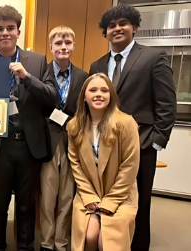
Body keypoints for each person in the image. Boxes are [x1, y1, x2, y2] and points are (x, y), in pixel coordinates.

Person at [89, 4, 177, 250]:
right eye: (111, 26)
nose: (117, 29)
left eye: (123, 23)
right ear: (105, 32)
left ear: (134, 27)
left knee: (140, 202)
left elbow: (167, 103)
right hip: (105, 147)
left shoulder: (153, 57)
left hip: (143, 144)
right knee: (108, 199)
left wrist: (157, 141)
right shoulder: (97, 65)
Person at [0, 5, 57, 251]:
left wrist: (27, 77)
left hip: (28, 144)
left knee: (26, 205)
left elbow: (50, 97)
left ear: (18, 32)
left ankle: (26, 248)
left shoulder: (36, 61)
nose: (5, 33)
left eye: (10, 28)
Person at [67, 73, 140, 251]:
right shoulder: (74, 126)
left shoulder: (126, 123)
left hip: (120, 195)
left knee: (107, 242)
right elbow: (75, 165)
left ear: (111, 96)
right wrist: (89, 196)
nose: (98, 94)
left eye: (104, 90)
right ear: (84, 96)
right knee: (89, 236)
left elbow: (130, 166)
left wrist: (111, 200)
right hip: (88, 193)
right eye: (93, 90)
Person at [40, 26, 88, 251]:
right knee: (48, 197)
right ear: (51, 47)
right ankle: (47, 242)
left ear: (74, 46)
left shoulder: (83, 77)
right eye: (58, 43)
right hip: (47, 142)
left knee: (68, 195)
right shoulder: (41, 73)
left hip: (72, 142)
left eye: (68, 43)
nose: (63, 47)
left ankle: (61, 242)